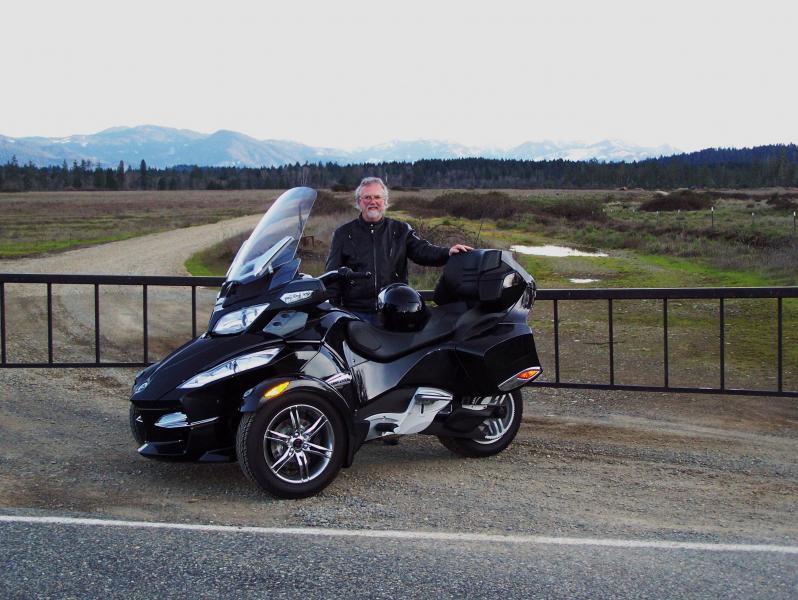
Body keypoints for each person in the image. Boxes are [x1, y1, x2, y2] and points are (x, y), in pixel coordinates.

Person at [325, 177, 472, 325]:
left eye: (377, 197)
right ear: (358, 202)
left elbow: (422, 251)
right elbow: (332, 277)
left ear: (385, 201)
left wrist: (447, 253)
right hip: (356, 314)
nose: (372, 201)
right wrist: (335, 313)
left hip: (395, 311)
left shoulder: (400, 230)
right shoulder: (343, 234)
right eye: (367, 197)